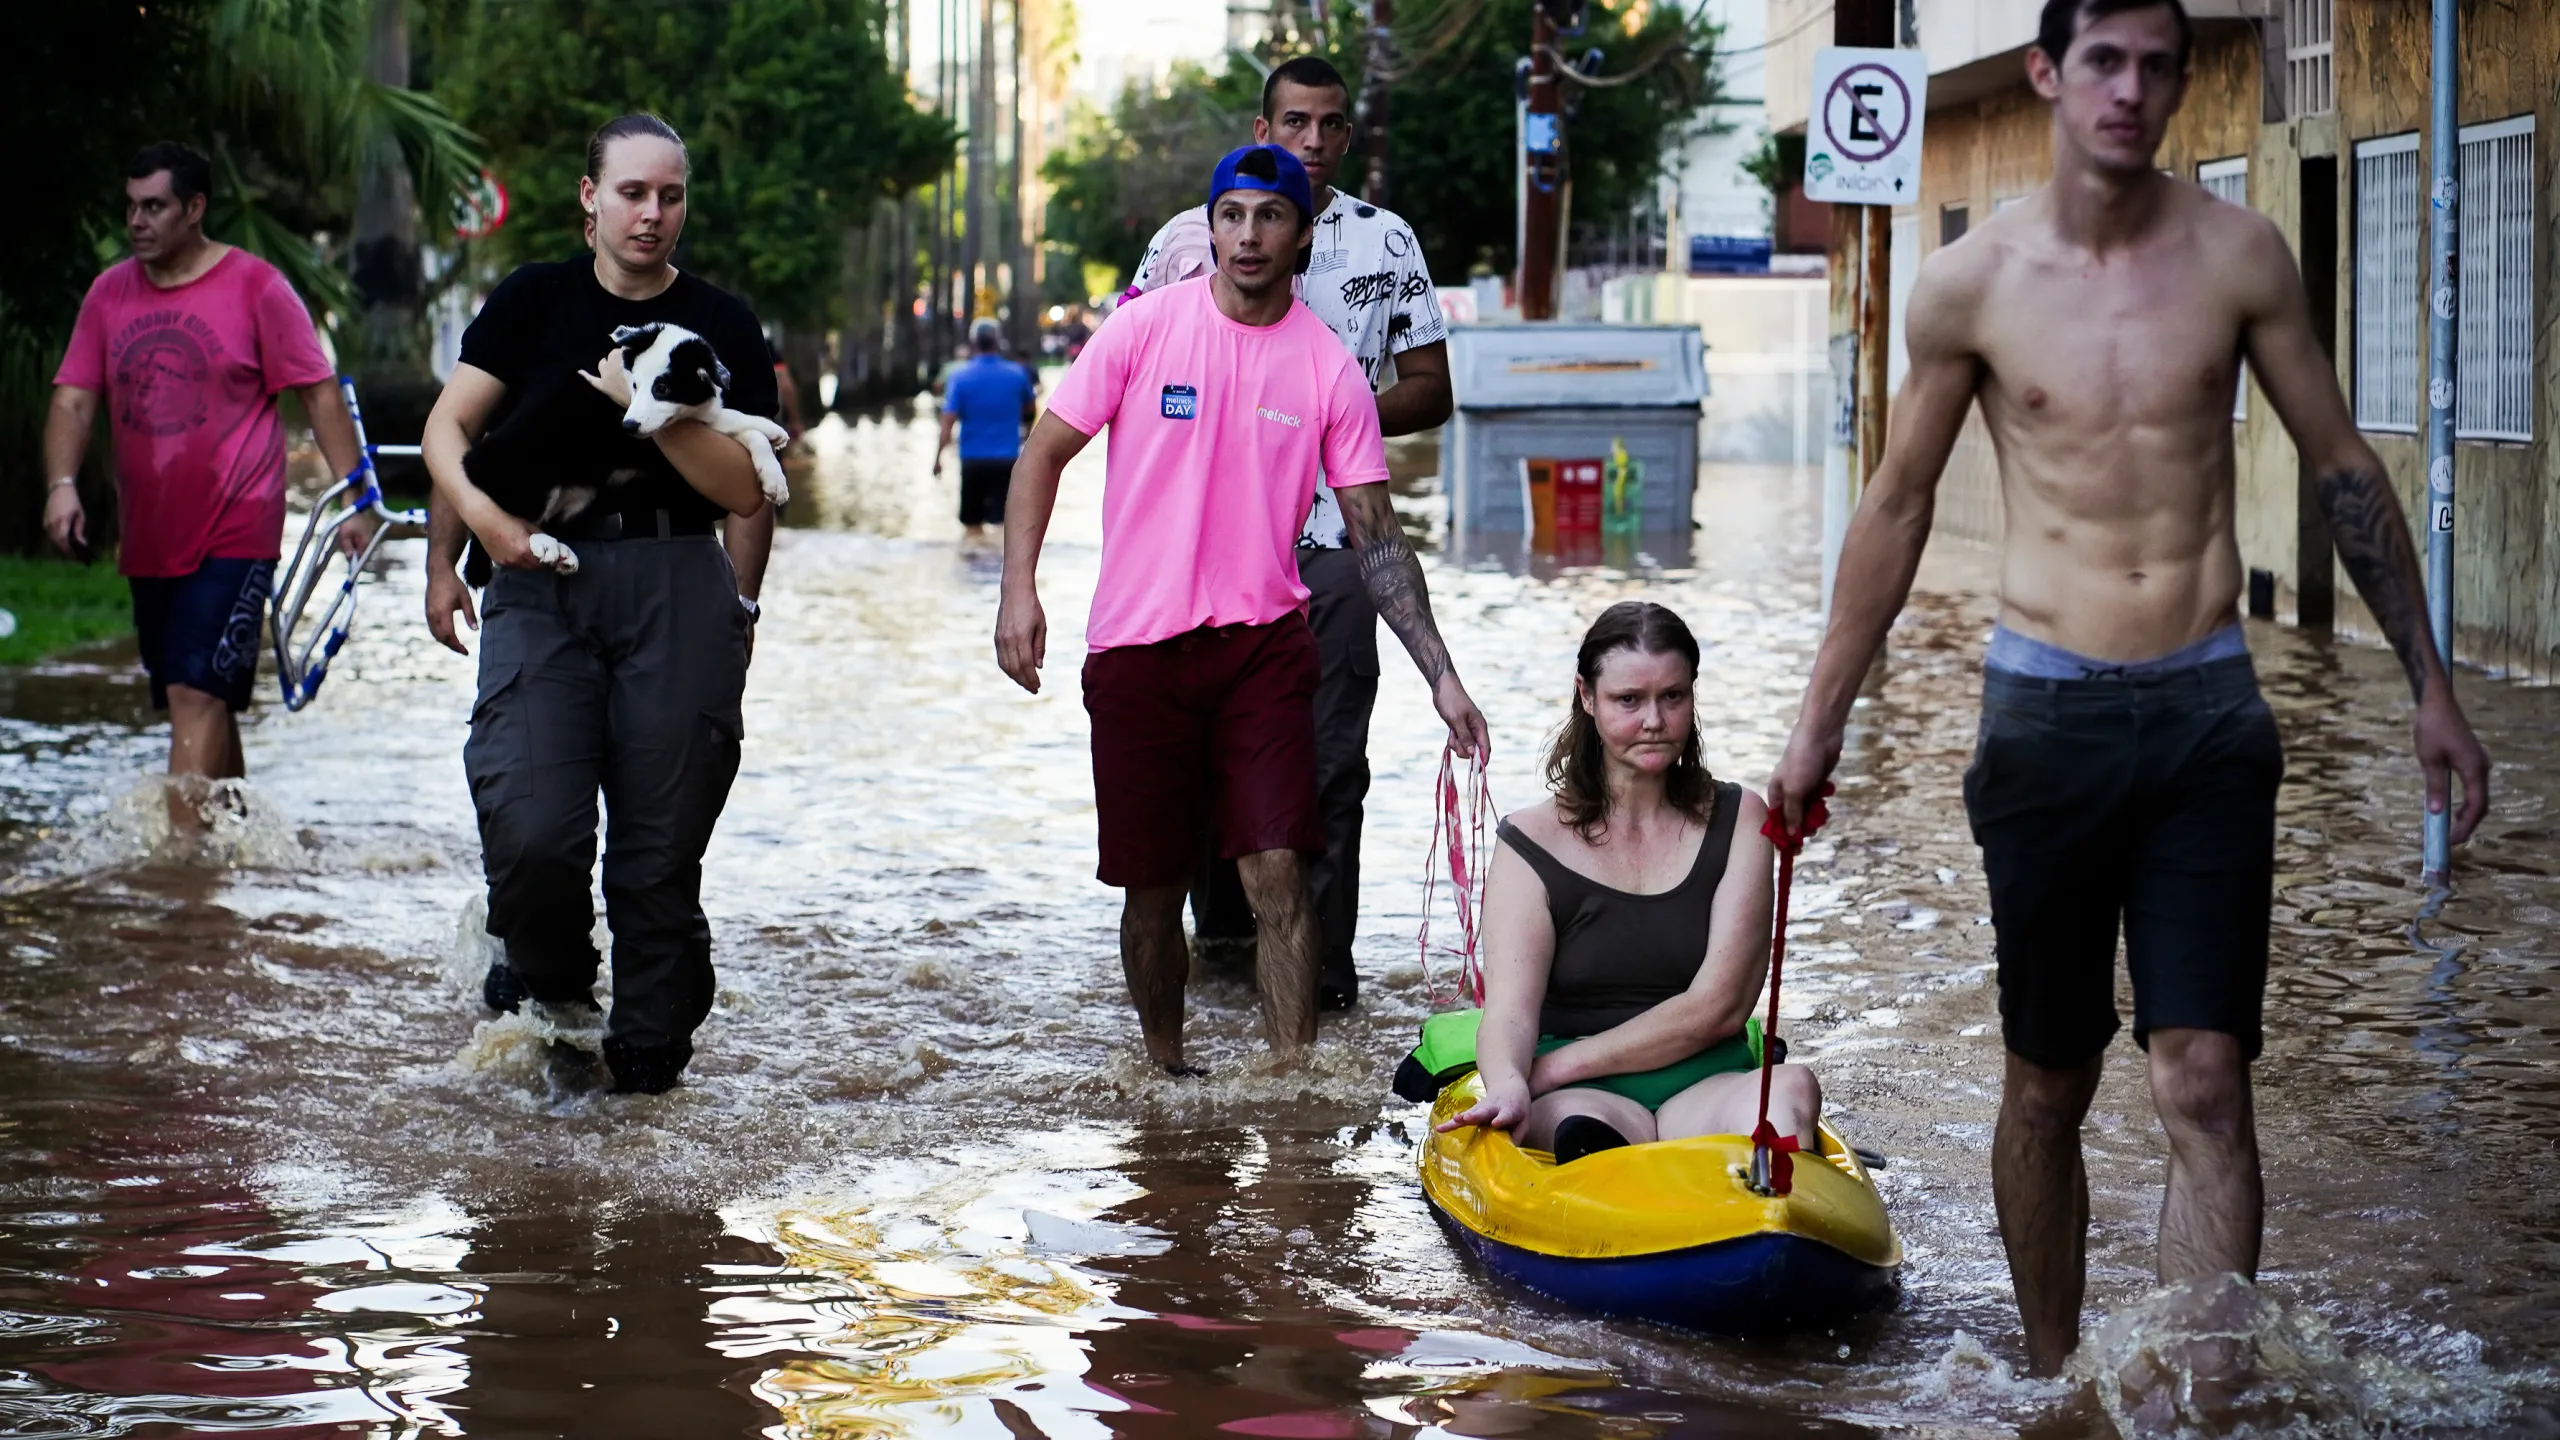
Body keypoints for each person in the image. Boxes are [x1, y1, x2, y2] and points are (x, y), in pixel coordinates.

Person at [1764, 0, 2491, 1377]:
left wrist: (2431, 690)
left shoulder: (2238, 256)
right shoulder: (1974, 282)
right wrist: (1817, 731)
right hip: (2045, 717)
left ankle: (2202, 1400)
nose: (2132, 90)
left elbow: (2342, 465)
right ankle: (2054, 1390)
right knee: (2048, 1083)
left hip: (2211, 711)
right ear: (2049, 73)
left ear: (2183, 82)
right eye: (2105, 60)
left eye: (2161, 66)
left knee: (2205, 1080)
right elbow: (1899, 504)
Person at [995, 143, 1488, 1074]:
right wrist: (1020, 592)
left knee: (1277, 873)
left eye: (1270, 216)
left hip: (1263, 647)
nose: (1248, 234)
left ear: (1303, 235)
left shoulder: (1329, 369)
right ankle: (1167, 1073)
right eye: (1232, 215)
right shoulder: (1143, 332)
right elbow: (1042, 455)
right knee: (1153, 889)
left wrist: (1444, 678)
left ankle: (1292, 1087)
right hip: (1139, 649)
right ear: (1209, 226)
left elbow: (1376, 539)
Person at [418, 113, 780, 1095]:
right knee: (533, 829)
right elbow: (452, 435)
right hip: (537, 575)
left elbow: (744, 489)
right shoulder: (532, 302)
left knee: (657, 860)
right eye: (631, 193)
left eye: (670, 196)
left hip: (676, 583)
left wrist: (644, 405)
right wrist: (454, 555)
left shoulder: (722, 321)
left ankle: (650, 1062)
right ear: (590, 198)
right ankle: (554, 988)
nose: (651, 215)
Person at [1124, 55, 1454, 1012]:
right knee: (1200, 764)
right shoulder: (1188, 242)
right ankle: (1224, 936)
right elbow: (1125, 376)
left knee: (1327, 761)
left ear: (1347, 137)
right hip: (1198, 560)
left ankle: (1324, 979)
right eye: (1296, 123)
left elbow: (1433, 386)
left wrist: (1330, 415)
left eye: (1332, 125)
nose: (1314, 140)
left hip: (1335, 544)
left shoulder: (1385, 242)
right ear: (1262, 131)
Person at [43, 141, 373, 830]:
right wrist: (61, 485)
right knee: (198, 697)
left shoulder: (257, 287)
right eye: (131, 207)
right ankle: (238, 850)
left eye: (154, 206)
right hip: (151, 537)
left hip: (236, 529)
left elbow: (317, 395)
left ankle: (181, 884)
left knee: (195, 692)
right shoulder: (110, 293)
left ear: (194, 209)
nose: (137, 221)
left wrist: (354, 498)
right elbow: (74, 399)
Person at [1442, 603, 1815, 1162]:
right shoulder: (1528, 840)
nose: (1654, 721)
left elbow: (1719, 1007)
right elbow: (1511, 1012)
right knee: (1573, 1129)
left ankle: (1763, 1211)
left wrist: (1549, 1070)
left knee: (1790, 1090)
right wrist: (1512, 1083)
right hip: (1580, 1100)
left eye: (1673, 697)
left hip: (1705, 1082)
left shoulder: (1741, 818)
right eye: (1628, 700)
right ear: (1587, 697)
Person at [933, 318, 1039, 541]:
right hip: (1007, 460)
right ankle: (996, 571)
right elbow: (1030, 410)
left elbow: (947, 421)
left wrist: (938, 457)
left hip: (972, 461)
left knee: (972, 528)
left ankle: (974, 573)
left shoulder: (960, 377)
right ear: (998, 342)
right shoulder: (1017, 375)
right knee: (1003, 528)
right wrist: (1026, 441)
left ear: (973, 343)